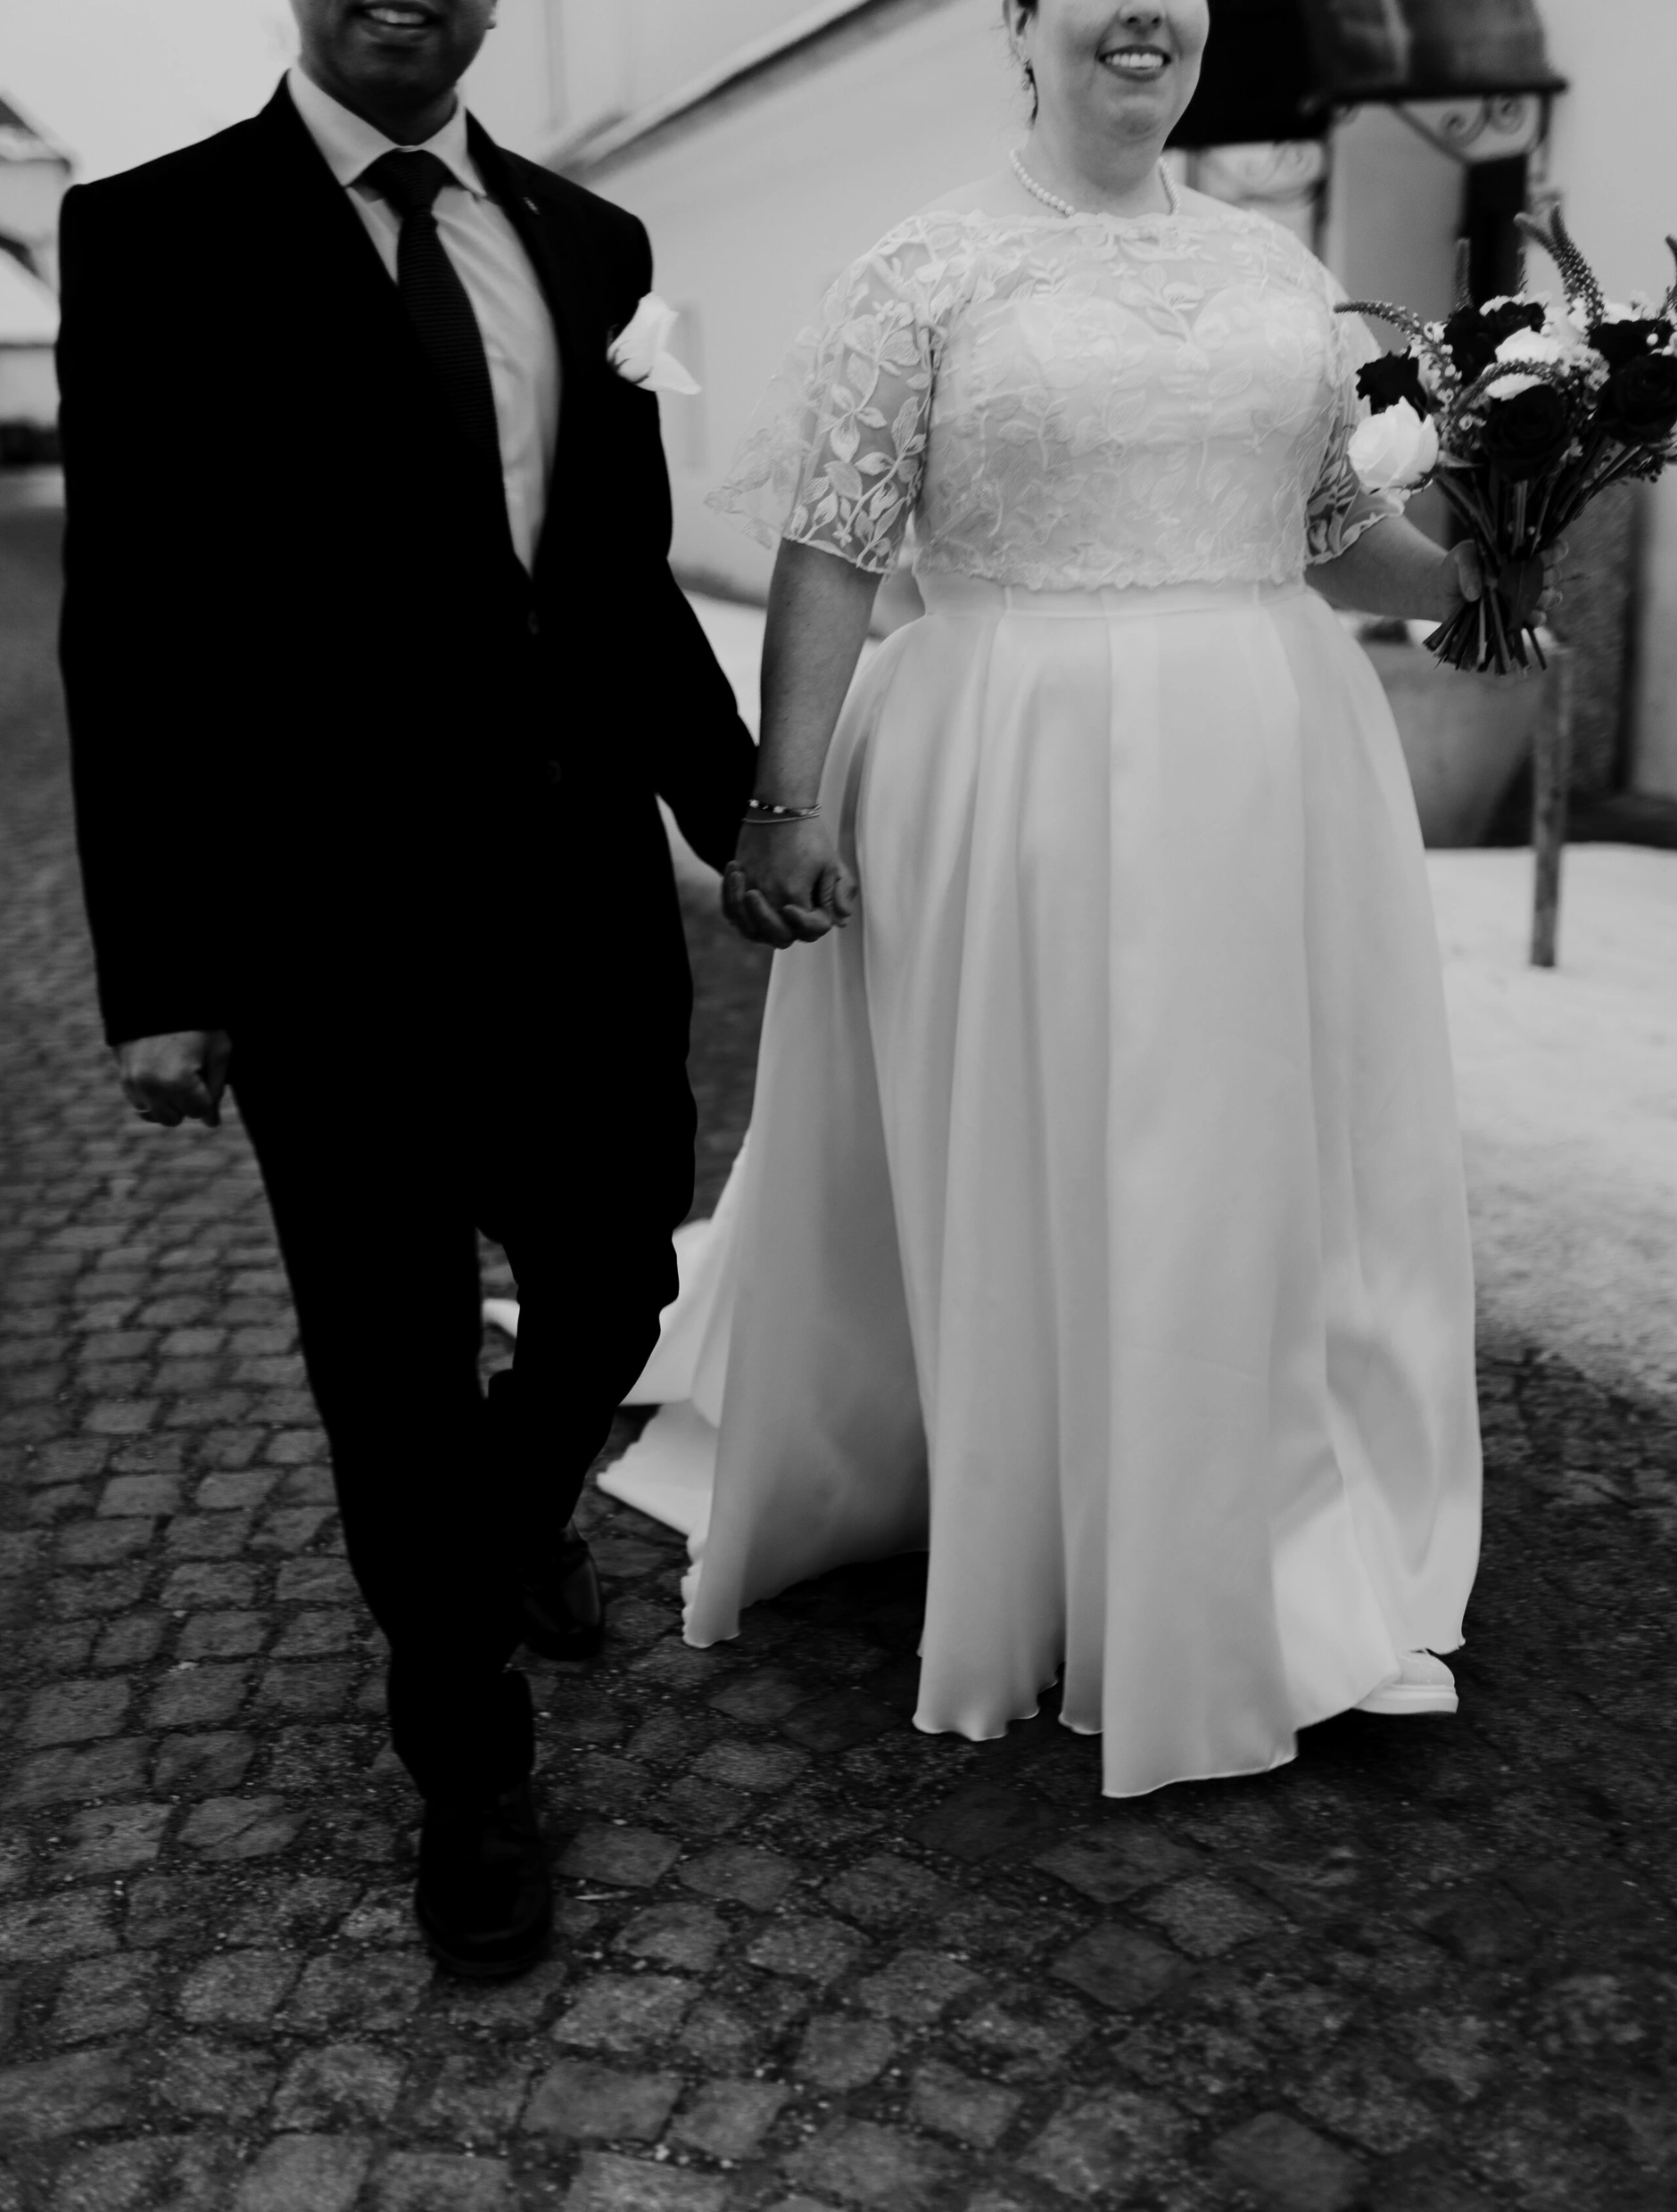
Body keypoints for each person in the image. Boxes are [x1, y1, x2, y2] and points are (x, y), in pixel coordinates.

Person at [603, 0, 1490, 1798]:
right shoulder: (919, 270)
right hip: (1007, 771)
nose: (1144, 14)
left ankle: (1266, 1519)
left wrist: (1486, 554)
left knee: (1246, 1157)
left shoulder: (1269, 268)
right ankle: (1048, 1517)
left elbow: (1322, 527)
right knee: (1058, 1144)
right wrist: (780, 802)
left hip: (1265, 781)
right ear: (1021, 21)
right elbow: (837, 547)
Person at [56, 0, 755, 1976]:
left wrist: (740, 814)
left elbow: (617, 583)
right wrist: (159, 975)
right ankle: (470, 1769)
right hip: (320, 932)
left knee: (618, 1280)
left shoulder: (582, 241)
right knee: (386, 1360)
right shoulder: (155, 233)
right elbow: (133, 628)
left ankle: (497, 1525)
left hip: (577, 909)